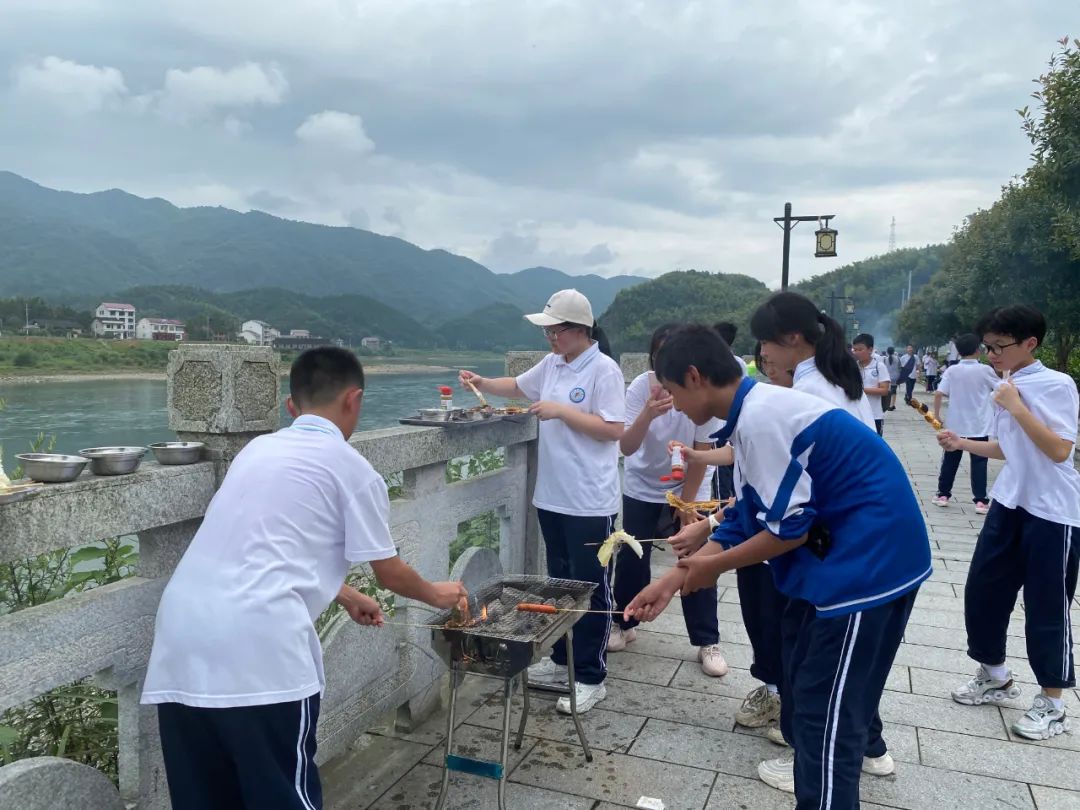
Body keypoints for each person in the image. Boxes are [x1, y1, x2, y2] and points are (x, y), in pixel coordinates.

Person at [141, 347, 468, 810]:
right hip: (260, 657)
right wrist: (439, 594)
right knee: (283, 797)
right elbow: (390, 571)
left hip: (180, 646)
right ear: (354, 399)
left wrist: (342, 591)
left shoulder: (257, 450)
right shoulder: (352, 468)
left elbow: (263, 544)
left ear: (291, 406)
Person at [625, 325, 931, 810]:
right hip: (843, 560)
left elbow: (791, 529)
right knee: (810, 698)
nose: (675, 405)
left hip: (867, 567)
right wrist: (674, 578)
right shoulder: (754, 410)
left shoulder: (762, 417)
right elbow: (754, 508)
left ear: (695, 376)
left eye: (674, 391)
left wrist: (712, 568)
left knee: (825, 720)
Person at [460, 289, 624, 714]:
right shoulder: (553, 364)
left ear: (579, 330)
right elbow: (515, 386)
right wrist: (482, 383)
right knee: (559, 584)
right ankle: (559, 661)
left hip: (589, 500)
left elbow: (613, 429)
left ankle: (591, 675)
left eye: (556, 330)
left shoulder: (603, 370)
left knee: (591, 588)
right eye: (548, 330)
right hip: (552, 495)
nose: (550, 337)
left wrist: (562, 411)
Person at [941, 305, 1080, 741]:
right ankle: (995, 676)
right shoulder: (1006, 384)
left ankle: (1053, 704)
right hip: (1010, 501)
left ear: (1029, 344)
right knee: (983, 590)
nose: (991, 354)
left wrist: (1017, 407)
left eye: (999, 347)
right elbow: (1006, 448)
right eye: (987, 346)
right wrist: (961, 442)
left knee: (1046, 605)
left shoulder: (1057, 384)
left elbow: (1059, 450)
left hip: (1053, 511)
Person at [611, 323, 727, 676]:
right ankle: (624, 622)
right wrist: (648, 412)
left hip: (690, 487)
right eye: (660, 355)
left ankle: (707, 640)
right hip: (643, 485)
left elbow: (704, 450)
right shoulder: (638, 388)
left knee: (697, 560)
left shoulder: (698, 387)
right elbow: (626, 446)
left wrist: (686, 508)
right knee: (633, 554)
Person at [931, 333, 999, 514]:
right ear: (978, 350)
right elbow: (1000, 389)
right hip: (980, 424)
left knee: (950, 460)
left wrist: (937, 416)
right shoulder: (985, 370)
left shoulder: (952, 370)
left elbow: (939, 393)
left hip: (956, 425)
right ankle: (981, 501)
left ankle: (943, 495)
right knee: (979, 462)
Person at [711, 321, 746, 500]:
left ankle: (720, 518)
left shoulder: (713, 364)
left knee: (720, 481)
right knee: (735, 477)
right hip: (736, 427)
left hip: (720, 429)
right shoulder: (739, 363)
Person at [851, 333, 891, 436]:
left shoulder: (879, 366)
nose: (857, 353)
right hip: (856, 415)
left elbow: (884, 390)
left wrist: (862, 390)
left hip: (874, 415)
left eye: (860, 349)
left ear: (870, 349)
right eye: (855, 350)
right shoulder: (853, 367)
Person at [883, 346, 901, 411]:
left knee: (888, 391)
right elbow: (900, 367)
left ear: (887, 352)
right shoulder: (897, 358)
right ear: (893, 351)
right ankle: (892, 405)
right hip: (896, 377)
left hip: (887, 377)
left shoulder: (885, 359)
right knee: (894, 391)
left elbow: (884, 368)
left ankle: (888, 404)